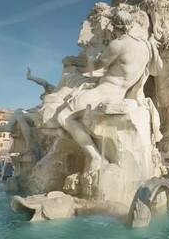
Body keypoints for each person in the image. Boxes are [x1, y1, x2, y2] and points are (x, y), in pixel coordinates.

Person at [56, 10, 162, 173]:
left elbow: (95, 66)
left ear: (114, 27)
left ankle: (95, 157)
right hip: (122, 92)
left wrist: (91, 57)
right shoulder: (146, 46)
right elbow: (156, 69)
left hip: (104, 91)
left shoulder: (117, 44)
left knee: (64, 118)